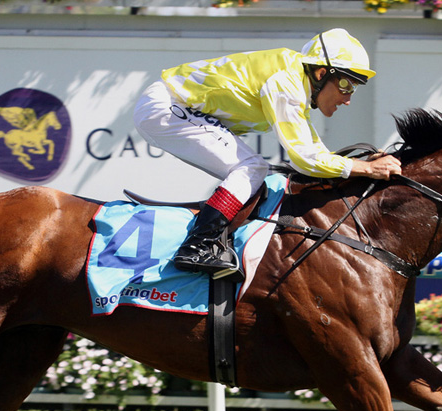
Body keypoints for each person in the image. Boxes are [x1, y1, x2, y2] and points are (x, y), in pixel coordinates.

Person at [133, 28, 402, 277]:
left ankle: (207, 241)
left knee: (252, 168)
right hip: (167, 108)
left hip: (173, 108)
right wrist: (366, 169)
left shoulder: (294, 78)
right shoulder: (286, 82)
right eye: (346, 85)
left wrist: (360, 165)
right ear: (322, 74)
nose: (348, 98)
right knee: (251, 168)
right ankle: (196, 247)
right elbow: (306, 160)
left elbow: (314, 152)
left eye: (354, 88)